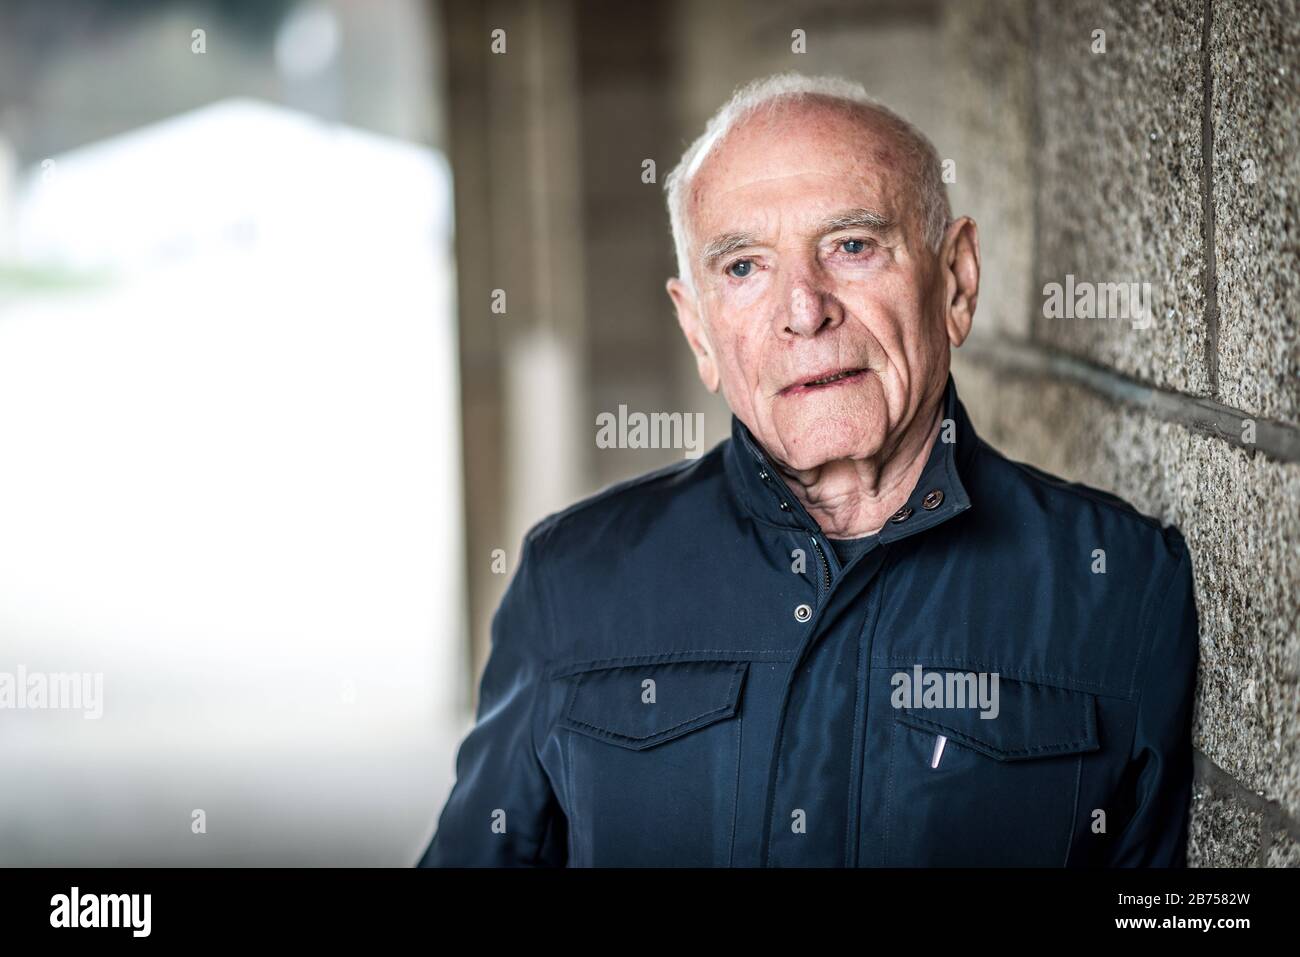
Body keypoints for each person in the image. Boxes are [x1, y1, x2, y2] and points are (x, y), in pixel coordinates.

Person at [417, 72, 1199, 867]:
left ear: (957, 282)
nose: (804, 308)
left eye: (852, 246)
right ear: (698, 332)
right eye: (744, 267)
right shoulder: (573, 579)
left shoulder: (1123, 585)